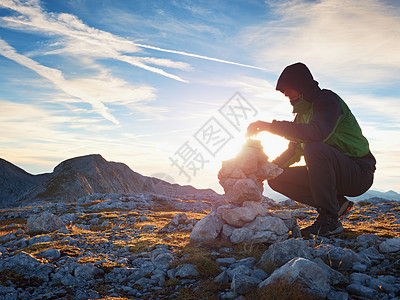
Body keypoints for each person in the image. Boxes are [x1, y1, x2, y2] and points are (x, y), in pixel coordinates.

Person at [246, 62, 376, 236]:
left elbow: (317, 133)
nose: (284, 93)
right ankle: (337, 205)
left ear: (301, 85)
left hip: (359, 172)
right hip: (333, 173)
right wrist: (266, 170)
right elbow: (293, 152)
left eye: (287, 88)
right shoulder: (301, 116)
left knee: (314, 148)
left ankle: (329, 219)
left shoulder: (327, 100)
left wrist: (269, 127)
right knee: (277, 178)